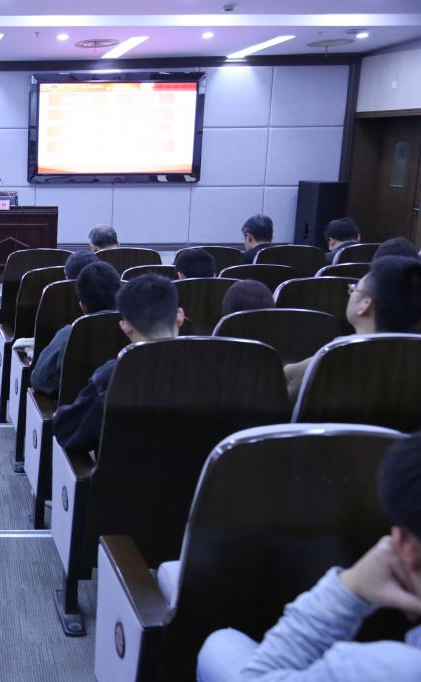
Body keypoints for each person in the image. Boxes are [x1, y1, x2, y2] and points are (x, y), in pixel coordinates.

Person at [197, 433, 421, 682]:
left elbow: (255, 677)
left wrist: (349, 588)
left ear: (403, 544)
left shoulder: (381, 669)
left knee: (220, 645)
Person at [53, 274, 184, 456]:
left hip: (126, 474)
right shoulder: (215, 370)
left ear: (125, 326)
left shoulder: (112, 376)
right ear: (179, 316)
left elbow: (68, 432)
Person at [284, 255, 421, 400]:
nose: (351, 292)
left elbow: (280, 387)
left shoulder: (332, 356)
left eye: (354, 288)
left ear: (365, 304)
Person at [31, 262, 121, 397]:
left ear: (82, 306)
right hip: (120, 406)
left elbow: (38, 380)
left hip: (73, 405)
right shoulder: (134, 330)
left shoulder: (69, 333)